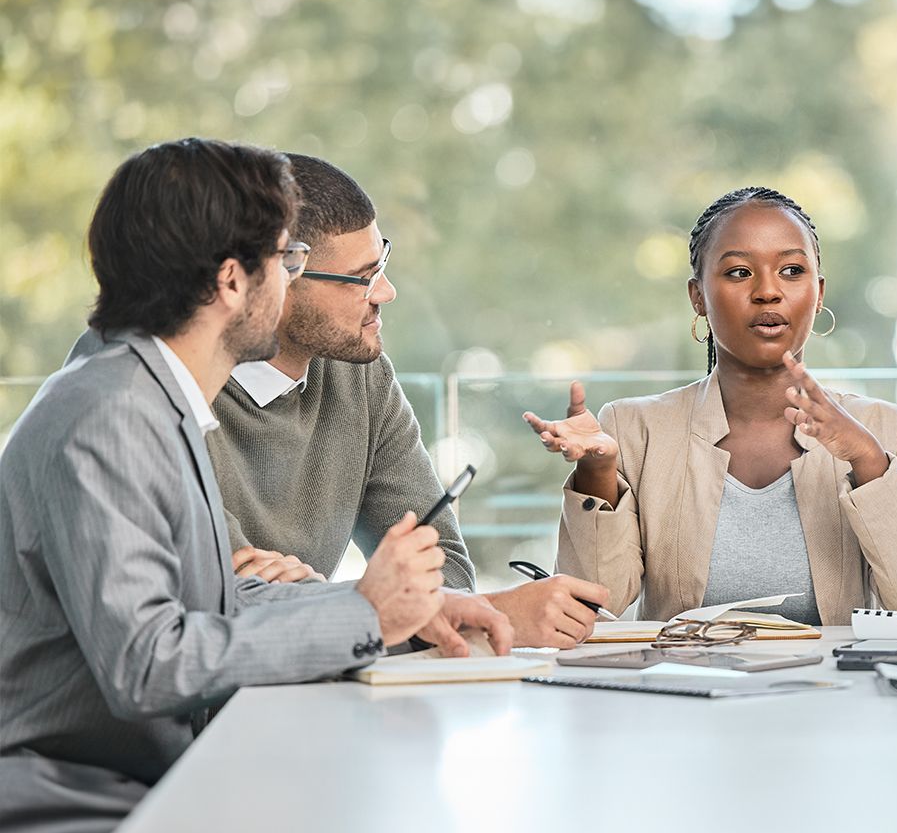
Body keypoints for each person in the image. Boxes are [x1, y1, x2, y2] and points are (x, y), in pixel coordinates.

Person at [0, 139, 511, 833]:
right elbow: (147, 662)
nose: (293, 275)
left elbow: (211, 609)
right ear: (234, 280)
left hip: (151, 789)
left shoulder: (152, 396)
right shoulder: (108, 417)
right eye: (289, 257)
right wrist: (361, 611)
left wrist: (408, 617)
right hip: (78, 813)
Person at [67, 153, 610, 650]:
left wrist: (332, 596)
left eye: (383, 263)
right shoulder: (141, 392)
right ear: (280, 279)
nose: (386, 293)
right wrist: (428, 608)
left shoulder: (360, 373)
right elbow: (223, 597)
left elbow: (439, 568)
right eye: (361, 278)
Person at [523, 186, 897, 623]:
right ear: (698, 296)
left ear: (818, 294)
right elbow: (591, 613)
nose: (768, 291)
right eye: (740, 273)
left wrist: (867, 460)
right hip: (681, 686)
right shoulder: (633, 428)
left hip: (835, 689)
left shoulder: (891, 431)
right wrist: (596, 473)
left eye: (791, 270)